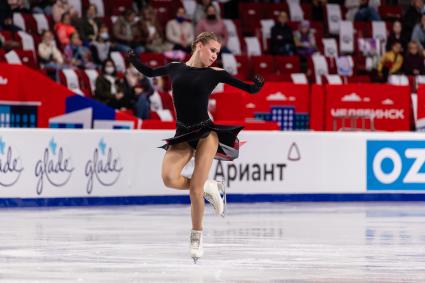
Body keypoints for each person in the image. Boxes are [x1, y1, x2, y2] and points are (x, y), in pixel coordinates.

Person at [127, 32, 264, 263]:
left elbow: (248, 89)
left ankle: (196, 236)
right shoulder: (175, 68)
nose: (214, 56)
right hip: (182, 134)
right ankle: (209, 187)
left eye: (217, 53)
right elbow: (150, 73)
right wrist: (134, 61)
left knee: (194, 191)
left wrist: (257, 87)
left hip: (205, 133)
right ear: (198, 46)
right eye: (212, 50)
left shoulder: (215, 74)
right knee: (169, 179)